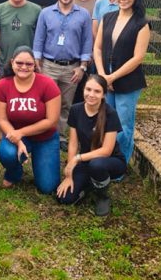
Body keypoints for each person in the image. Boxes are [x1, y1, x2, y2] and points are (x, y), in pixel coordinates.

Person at [93, 0, 150, 164]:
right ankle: (105, 157)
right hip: (106, 75)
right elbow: (98, 48)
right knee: (107, 120)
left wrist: (113, 77)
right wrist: (102, 75)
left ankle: (120, 163)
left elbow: (138, 57)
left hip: (128, 79)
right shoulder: (108, 17)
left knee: (124, 124)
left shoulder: (141, 24)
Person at [32, 0, 92, 146]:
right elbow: (39, 38)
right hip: (48, 65)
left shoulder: (83, 15)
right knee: (45, 101)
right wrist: (37, 61)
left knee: (66, 103)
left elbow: (87, 42)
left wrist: (82, 66)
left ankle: (60, 136)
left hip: (72, 68)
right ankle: (43, 133)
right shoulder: (46, 13)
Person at [57, 75, 126, 216]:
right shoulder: (76, 110)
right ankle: (90, 184)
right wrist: (69, 173)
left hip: (111, 161)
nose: (91, 94)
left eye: (97, 91)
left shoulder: (110, 114)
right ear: (83, 89)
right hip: (86, 161)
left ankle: (102, 195)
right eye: (88, 89)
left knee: (96, 165)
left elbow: (106, 151)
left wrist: (78, 158)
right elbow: (73, 143)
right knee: (65, 198)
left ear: (103, 94)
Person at [0, 46, 62, 194]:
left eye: (29, 64)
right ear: (12, 62)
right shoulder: (3, 85)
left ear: (35, 65)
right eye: (19, 63)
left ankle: (39, 161)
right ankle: (14, 172)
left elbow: (51, 120)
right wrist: (18, 140)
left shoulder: (48, 84)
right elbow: (2, 119)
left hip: (44, 138)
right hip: (15, 137)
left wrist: (21, 132)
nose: (23, 67)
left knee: (47, 187)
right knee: (7, 154)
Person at [0, 0, 41, 77]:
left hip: (28, 64)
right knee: (6, 90)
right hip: (5, 62)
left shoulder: (36, 10)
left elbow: (40, 38)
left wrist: (38, 60)